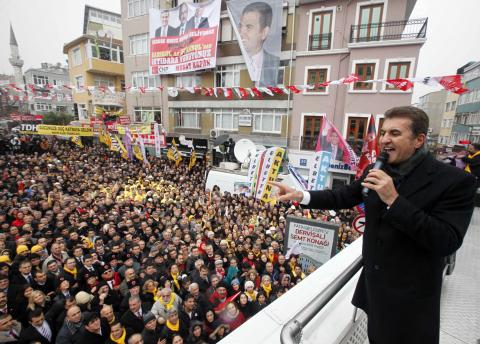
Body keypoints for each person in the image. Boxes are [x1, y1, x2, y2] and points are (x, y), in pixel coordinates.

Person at [270, 106, 477, 344]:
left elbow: (446, 240)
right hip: (374, 293)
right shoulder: (377, 168)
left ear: (419, 139)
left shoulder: (455, 182)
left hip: (410, 303)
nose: (385, 139)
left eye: (395, 133)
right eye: (383, 132)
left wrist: (394, 200)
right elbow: (344, 196)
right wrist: (301, 196)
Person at [238, 2, 280, 87]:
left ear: (264, 32)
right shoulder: (238, 62)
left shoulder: (274, 62)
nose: (241, 32)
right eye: (240, 26)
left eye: (249, 27)